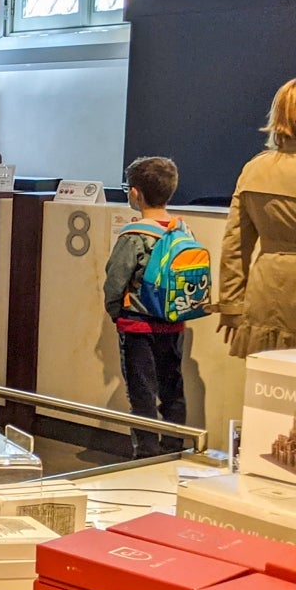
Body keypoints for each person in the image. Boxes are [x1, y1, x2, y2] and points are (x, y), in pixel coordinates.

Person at [216, 77, 296, 356]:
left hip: (266, 295)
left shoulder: (255, 169)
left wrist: (231, 306)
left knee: (266, 390)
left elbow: (235, 245)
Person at [103, 156, 188, 458]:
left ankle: (147, 453)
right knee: (172, 389)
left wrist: (116, 313)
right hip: (174, 323)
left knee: (142, 394)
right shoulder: (182, 231)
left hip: (138, 327)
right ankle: (175, 447)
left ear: (136, 194)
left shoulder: (134, 235)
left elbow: (115, 280)